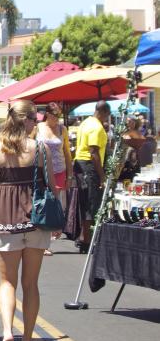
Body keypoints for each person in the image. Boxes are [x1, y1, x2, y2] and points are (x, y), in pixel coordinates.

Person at [0, 100, 58, 341]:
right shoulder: (39, 149)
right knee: (31, 284)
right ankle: (27, 338)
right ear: (27, 119)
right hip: (36, 221)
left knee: (7, 282)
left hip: (6, 222)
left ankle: (8, 331)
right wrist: (56, 220)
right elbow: (51, 187)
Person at [35, 103, 73, 256]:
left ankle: (50, 236)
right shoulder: (38, 127)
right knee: (45, 205)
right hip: (42, 170)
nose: (57, 118)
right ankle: (44, 243)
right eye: (55, 115)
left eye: (59, 115)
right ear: (48, 114)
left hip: (59, 170)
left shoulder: (62, 129)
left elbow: (67, 153)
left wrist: (69, 175)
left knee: (57, 205)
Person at [73, 101, 110, 253]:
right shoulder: (97, 127)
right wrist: (102, 176)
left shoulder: (86, 122)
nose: (107, 119)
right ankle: (85, 240)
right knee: (91, 203)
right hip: (89, 166)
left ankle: (83, 236)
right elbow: (94, 151)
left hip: (80, 164)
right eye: (107, 115)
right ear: (104, 112)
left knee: (84, 202)